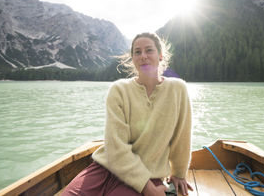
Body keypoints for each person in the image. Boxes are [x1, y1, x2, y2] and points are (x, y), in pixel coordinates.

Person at [62, 32, 193, 196]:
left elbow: (182, 137)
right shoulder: (119, 90)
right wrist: (149, 190)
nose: (143, 56)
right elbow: (116, 147)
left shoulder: (177, 89)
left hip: (149, 172)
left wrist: (179, 174)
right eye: (137, 52)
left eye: (149, 50)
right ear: (132, 58)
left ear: (160, 56)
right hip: (105, 168)